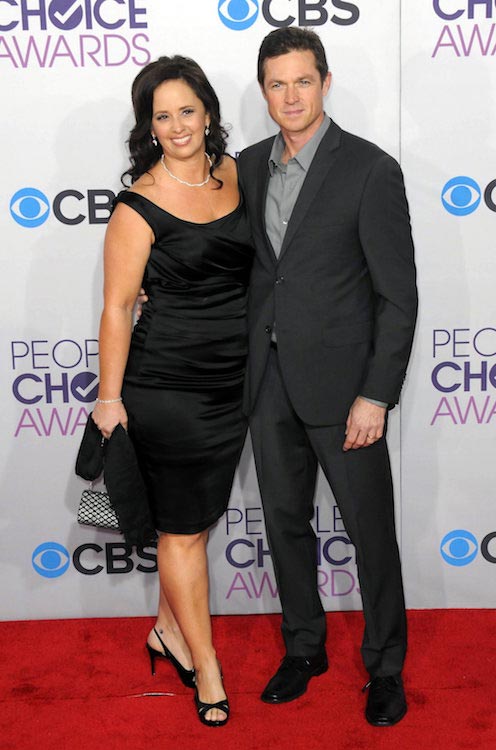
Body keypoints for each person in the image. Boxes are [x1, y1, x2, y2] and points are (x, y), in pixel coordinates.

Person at [237, 27, 418, 726]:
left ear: (326, 81)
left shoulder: (371, 170)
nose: (290, 96)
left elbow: (397, 296)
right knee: (283, 524)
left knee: (370, 530)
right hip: (268, 382)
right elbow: (246, 268)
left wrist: (375, 393)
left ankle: (386, 668)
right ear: (263, 91)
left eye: (302, 81)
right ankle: (304, 647)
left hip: (346, 391)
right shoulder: (248, 167)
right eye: (277, 84)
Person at [92, 55, 253, 728]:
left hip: (236, 384)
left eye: (188, 109)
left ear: (208, 113)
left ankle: (166, 628)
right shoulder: (139, 204)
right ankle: (205, 665)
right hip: (169, 387)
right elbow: (117, 307)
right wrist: (108, 399)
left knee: (196, 523)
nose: (178, 124)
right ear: (149, 128)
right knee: (182, 534)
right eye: (163, 115)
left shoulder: (237, 174)